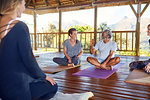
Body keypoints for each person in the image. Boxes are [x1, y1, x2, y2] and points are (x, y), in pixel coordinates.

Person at [0, 0, 57, 100]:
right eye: (24, 4)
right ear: (16, 4)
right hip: (18, 89)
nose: (24, 8)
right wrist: (43, 76)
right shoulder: (19, 26)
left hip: (3, 89)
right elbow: (28, 60)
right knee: (52, 86)